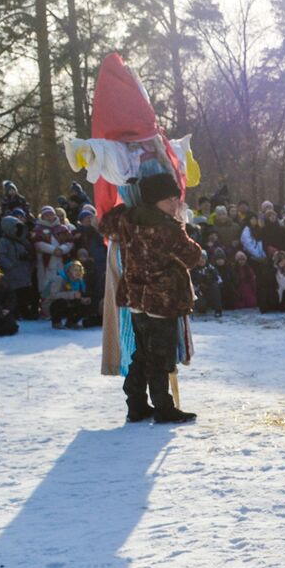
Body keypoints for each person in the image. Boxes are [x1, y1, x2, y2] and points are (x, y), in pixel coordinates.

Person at [98, 171, 202, 423]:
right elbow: (192, 257)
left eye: (175, 199)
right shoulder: (167, 228)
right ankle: (163, 407)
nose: (174, 204)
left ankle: (136, 404)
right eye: (168, 199)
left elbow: (103, 225)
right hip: (161, 299)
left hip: (135, 297)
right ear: (154, 199)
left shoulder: (126, 218)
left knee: (143, 353)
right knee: (160, 356)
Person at [48, 259, 94, 328]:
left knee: (85, 305)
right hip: (52, 305)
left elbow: (76, 295)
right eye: (75, 270)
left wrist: (83, 299)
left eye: (79, 270)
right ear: (68, 271)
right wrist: (72, 295)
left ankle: (72, 322)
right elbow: (53, 295)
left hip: (68, 304)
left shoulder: (79, 281)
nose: (78, 272)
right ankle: (56, 322)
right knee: (60, 302)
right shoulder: (59, 278)